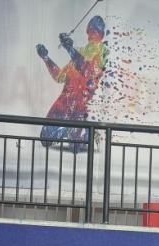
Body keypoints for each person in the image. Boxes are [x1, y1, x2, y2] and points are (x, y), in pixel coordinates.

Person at [36, 15, 108, 148]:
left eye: (96, 31)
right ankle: (72, 131)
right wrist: (46, 58)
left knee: (77, 145)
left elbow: (88, 71)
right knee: (45, 138)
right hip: (64, 105)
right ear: (87, 31)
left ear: (102, 35)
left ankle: (88, 132)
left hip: (81, 109)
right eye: (91, 30)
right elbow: (59, 77)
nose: (92, 34)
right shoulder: (79, 52)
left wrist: (70, 49)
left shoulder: (102, 52)